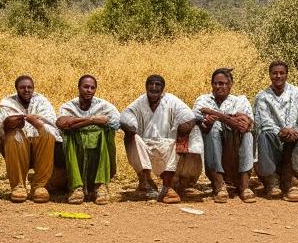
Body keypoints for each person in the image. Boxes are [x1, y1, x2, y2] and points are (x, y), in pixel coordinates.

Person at [120, 74, 203, 203]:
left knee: (183, 139)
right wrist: (129, 126)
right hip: (146, 145)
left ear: (163, 88)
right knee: (130, 139)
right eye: (150, 84)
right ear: (146, 86)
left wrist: (186, 126)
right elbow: (126, 115)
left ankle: (167, 186)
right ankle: (146, 181)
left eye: (157, 84)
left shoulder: (171, 100)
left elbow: (189, 116)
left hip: (167, 145)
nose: (154, 87)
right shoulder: (140, 102)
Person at [254, 61, 298, 202]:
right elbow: (263, 122)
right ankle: (272, 182)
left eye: (281, 73)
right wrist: (281, 131)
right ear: (270, 75)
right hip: (275, 139)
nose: (278, 76)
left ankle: (293, 183)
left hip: (297, 136)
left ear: (286, 74)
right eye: (274, 73)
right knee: (264, 134)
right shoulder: (262, 97)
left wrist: (294, 131)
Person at [0, 75, 61, 203]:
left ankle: (39, 186)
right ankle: (18, 186)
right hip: (16, 146)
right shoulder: (8, 103)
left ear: (33, 89)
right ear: (16, 89)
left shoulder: (42, 102)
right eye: (22, 87)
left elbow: (53, 126)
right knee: (13, 135)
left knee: (47, 134)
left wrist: (36, 122)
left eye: (29, 87)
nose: (26, 90)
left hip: (38, 147)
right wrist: (7, 124)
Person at [193, 68, 256, 203]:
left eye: (222, 83)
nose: (218, 87)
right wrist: (226, 119)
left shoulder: (240, 100)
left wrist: (215, 114)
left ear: (230, 84)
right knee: (213, 127)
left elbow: (244, 125)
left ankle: (245, 185)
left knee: (247, 134)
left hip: (234, 148)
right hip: (212, 147)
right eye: (215, 83)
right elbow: (197, 120)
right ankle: (219, 184)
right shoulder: (202, 100)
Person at [56, 75, 120, 205]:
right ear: (79, 88)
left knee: (105, 131)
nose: (89, 90)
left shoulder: (103, 105)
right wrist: (92, 120)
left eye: (92, 87)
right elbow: (62, 124)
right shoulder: (69, 106)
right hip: (76, 146)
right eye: (86, 87)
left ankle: (100, 185)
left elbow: (116, 123)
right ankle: (76, 187)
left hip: (98, 144)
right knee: (69, 134)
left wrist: (76, 122)